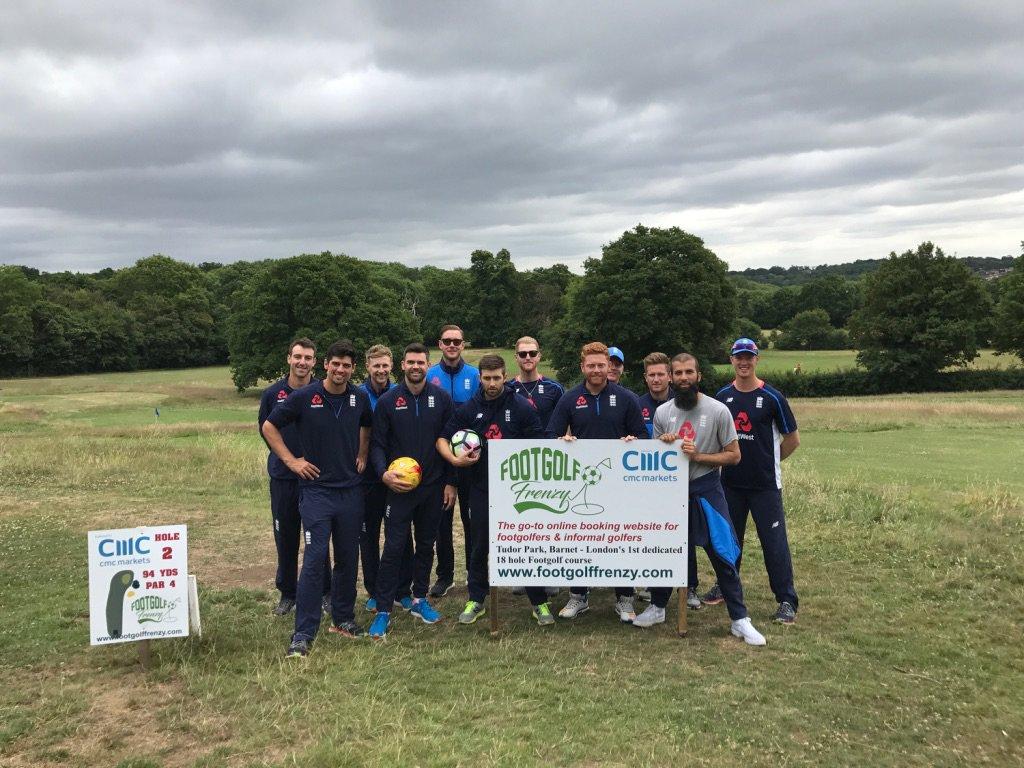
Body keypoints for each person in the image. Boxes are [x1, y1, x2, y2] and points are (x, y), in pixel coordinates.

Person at [633, 353, 766, 646]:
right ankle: (657, 606)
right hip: (671, 491)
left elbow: (734, 455)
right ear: (670, 376)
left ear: (698, 375)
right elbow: (654, 457)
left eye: (688, 372)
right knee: (663, 549)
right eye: (678, 373)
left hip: (706, 488)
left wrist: (699, 457)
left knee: (722, 551)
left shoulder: (718, 410)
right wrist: (663, 444)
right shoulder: (663, 413)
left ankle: (739, 618)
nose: (683, 378)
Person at [263, 340, 373, 657]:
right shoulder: (303, 397)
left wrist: (363, 453)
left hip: (350, 491)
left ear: (353, 369)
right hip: (317, 492)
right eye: (335, 364)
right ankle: (303, 632)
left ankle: (343, 617)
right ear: (326, 364)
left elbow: (367, 424)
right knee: (313, 560)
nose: (340, 370)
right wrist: (291, 461)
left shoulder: (359, 397)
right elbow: (270, 426)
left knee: (348, 559)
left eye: (347, 365)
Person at [436, 354, 555, 626]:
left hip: (516, 492)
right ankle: (477, 598)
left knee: (525, 543)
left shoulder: (521, 406)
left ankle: (538, 601)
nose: (492, 383)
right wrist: (454, 459)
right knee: (479, 544)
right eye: (487, 378)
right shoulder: (469, 408)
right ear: (480, 378)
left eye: (496, 378)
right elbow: (443, 438)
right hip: (480, 488)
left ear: (505, 376)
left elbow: (538, 444)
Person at [546, 342, 647, 623]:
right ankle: (579, 596)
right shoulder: (569, 398)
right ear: (583, 367)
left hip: (618, 485)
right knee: (580, 539)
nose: (597, 370)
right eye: (591, 365)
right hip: (582, 484)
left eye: (601, 365)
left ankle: (625, 599)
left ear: (609, 367)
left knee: (619, 539)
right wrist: (561, 441)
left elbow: (643, 438)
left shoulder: (627, 398)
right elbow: (550, 435)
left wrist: (633, 442)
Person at [702, 337, 801, 623]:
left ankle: (786, 600)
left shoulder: (772, 397)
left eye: (749, 356)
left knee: (774, 543)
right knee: (729, 541)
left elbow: (792, 440)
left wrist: (769, 463)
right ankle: (726, 586)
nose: (743, 362)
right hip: (730, 484)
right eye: (738, 357)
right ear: (731, 360)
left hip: (765, 486)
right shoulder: (722, 397)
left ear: (756, 359)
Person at [368, 343, 457, 639]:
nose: (416, 366)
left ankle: (420, 599)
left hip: (432, 488)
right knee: (393, 547)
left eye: (421, 362)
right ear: (402, 366)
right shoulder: (388, 401)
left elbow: (449, 442)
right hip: (399, 488)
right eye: (410, 362)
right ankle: (383, 609)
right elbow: (377, 445)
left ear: (428, 365)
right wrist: (383, 474)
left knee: (425, 545)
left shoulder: (442, 399)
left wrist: (450, 482)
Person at [257, 338, 330, 617]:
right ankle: (288, 593)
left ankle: (325, 592)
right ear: (288, 358)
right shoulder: (273, 394)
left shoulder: (323, 391)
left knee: (318, 538)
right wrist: (290, 461)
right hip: (284, 479)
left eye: (308, 358)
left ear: (315, 362)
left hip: (316, 478)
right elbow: (267, 430)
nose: (302, 362)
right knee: (286, 536)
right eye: (297, 357)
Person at [358, 345, 414, 614]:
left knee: (401, 535)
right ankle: (374, 590)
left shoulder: (399, 394)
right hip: (366, 478)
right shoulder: (356, 395)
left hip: (397, 476)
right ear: (367, 366)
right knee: (368, 537)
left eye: (384, 365)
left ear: (392, 366)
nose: (380, 370)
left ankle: (403, 589)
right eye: (375, 365)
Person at [426, 324, 480, 599]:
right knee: (441, 522)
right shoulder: (429, 375)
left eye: (457, 341)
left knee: (472, 521)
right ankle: (444, 575)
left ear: (463, 344)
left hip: (470, 461)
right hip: (440, 460)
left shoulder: (475, 375)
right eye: (447, 341)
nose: (452, 345)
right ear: (440, 343)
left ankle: (474, 574)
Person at [634, 351, 674, 602]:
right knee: (646, 532)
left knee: (676, 533)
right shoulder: (637, 405)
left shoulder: (683, 403)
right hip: (643, 482)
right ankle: (649, 582)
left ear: (669, 377)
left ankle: (687, 586)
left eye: (661, 374)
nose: (656, 379)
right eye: (652, 375)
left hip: (675, 483)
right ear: (645, 378)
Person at [508, 336, 564, 431]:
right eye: (522, 354)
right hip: (517, 445)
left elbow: (565, 420)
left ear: (539, 356)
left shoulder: (555, 388)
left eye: (533, 353)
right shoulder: (508, 389)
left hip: (548, 445)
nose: (528, 357)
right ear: (516, 357)